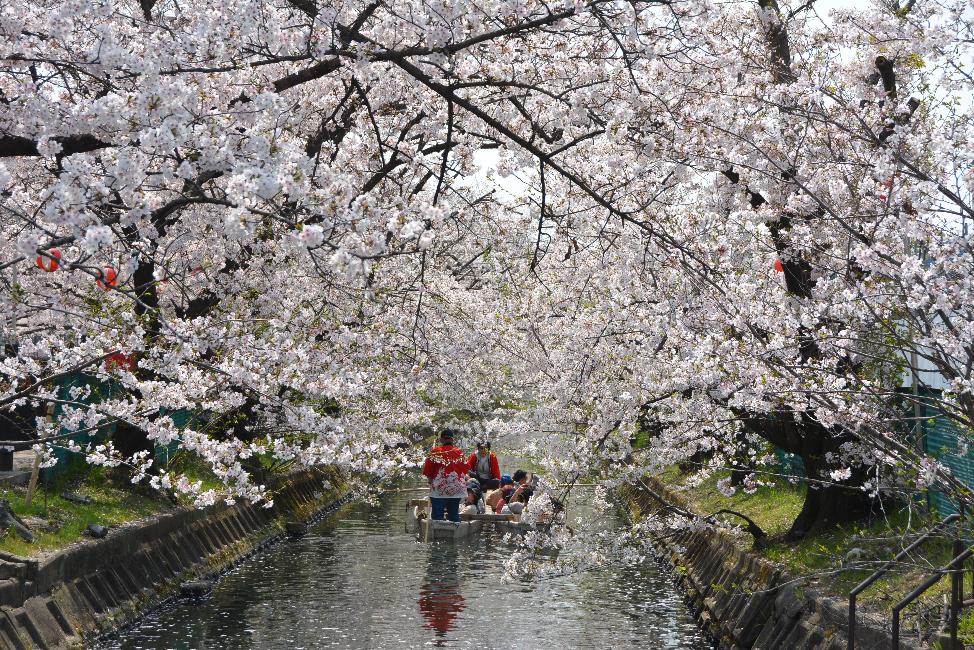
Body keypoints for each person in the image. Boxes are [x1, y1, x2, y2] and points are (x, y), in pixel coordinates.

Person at [422, 429, 468, 523]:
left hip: (439, 490)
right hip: (456, 489)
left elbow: (428, 472)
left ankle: (437, 531)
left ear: (441, 439)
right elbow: (466, 469)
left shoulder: (435, 452)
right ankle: (454, 531)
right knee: (453, 514)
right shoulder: (459, 452)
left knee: (437, 515)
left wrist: (430, 481)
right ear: (452, 439)